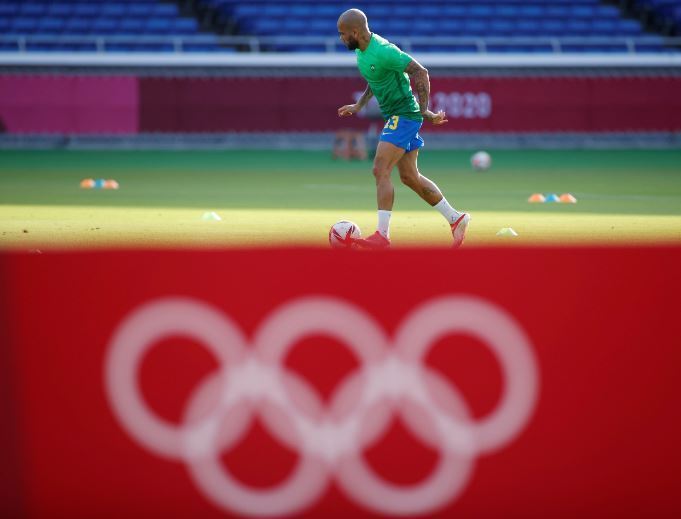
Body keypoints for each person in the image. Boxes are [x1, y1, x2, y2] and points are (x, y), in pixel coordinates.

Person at [337, 8, 470, 249]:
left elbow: (420, 71)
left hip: (404, 115)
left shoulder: (384, 51)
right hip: (398, 115)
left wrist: (424, 110)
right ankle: (456, 218)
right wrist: (359, 105)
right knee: (409, 177)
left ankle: (382, 235)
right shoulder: (361, 52)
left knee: (380, 169)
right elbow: (375, 79)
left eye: (342, 34)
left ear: (355, 32)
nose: (341, 38)